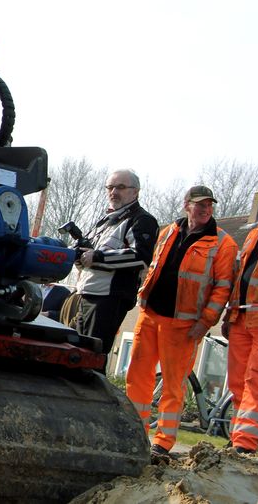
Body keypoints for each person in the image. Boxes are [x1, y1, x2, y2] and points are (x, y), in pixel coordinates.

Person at [126, 185, 237, 458]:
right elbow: (154, 267)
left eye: (209, 206)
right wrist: (143, 297)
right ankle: (133, 432)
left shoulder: (224, 244)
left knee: (173, 386)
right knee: (137, 377)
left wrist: (206, 322)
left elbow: (222, 289)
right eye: (200, 205)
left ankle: (162, 443)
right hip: (150, 315)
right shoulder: (169, 232)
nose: (205, 210)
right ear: (186, 204)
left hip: (184, 326)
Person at [72, 169, 158, 366]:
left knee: (92, 358)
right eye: (110, 187)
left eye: (120, 187)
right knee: (77, 354)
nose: (114, 192)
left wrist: (97, 256)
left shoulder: (141, 220)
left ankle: (94, 396)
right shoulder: (104, 221)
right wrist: (80, 255)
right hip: (86, 294)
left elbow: (140, 258)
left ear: (135, 192)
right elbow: (88, 255)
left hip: (109, 299)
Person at [223, 221, 258, 454]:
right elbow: (240, 276)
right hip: (241, 315)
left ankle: (245, 444)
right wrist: (229, 313)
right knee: (237, 383)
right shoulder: (253, 234)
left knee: (256, 382)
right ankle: (237, 436)